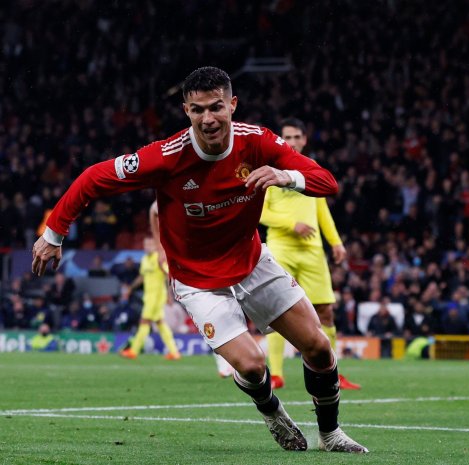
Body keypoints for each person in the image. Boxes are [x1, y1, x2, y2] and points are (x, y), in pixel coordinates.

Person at [31, 66, 367, 453]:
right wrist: (53, 234)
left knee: (319, 347)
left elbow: (328, 182)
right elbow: (93, 177)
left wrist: (285, 176)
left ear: (232, 105)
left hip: (252, 263)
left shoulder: (257, 141)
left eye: (216, 107)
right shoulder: (166, 157)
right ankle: (271, 409)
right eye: (197, 109)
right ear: (186, 111)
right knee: (253, 365)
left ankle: (330, 435)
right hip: (197, 280)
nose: (208, 118)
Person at [260, 117, 360, 390]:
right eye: (287, 137)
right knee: (278, 310)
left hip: (313, 250)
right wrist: (291, 224)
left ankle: (333, 373)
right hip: (281, 248)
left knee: (325, 311)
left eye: (296, 137)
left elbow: (321, 209)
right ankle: (276, 374)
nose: (292, 142)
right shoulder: (270, 170)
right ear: (280, 140)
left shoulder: (311, 168)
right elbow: (261, 212)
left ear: (304, 140)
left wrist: (336, 242)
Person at [150, 199, 232, 375]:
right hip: (191, 265)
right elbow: (154, 210)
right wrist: (159, 247)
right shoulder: (177, 194)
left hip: (219, 258)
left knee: (227, 308)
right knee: (209, 312)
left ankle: (229, 354)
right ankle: (222, 356)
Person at [119, 236, 182, 360]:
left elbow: (168, 275)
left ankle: (134, 350)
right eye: (145, 245)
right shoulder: (144, 260)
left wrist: (169, 294)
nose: (147, 247)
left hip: (157, 297)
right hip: (148, 297)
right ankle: (174, 352)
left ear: (155, 246)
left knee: (144, 321)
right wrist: (130, 288)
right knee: (160, 323)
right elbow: (142, 277)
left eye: (150, 245)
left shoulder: (159, 259)